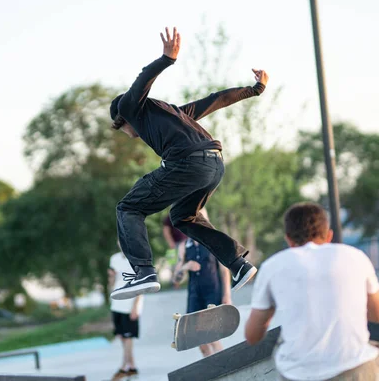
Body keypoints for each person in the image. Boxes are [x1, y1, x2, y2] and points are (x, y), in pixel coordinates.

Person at [109, 26, 268, 300]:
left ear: (122, 120)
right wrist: (255, 90)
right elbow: (214, 100)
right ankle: (238, 264)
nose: (129, 135)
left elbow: (142, 81)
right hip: (215, 164)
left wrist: (166, 60)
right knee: (183, 216)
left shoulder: (128, 107)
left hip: (188, 164)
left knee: (128, 207)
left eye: (122, 130)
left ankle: (143, 271)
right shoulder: (175, 115)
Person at [245, 202, 379, 381]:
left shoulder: (272, 267)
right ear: (329, 235)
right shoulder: (355, 256)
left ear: (288, 239)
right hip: (357, 369)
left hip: (299, 375)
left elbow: (252, 336)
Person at [172, 207, 231, 357]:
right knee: (198, 339)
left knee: (211, 335)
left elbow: (225, 271)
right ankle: (210, 370)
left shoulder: (215, 240)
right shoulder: (184, 246)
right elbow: (176, 278)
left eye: (201, 218)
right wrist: (186, 266)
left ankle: (223, 365)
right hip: (194, 294)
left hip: (212, 292)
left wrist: (227, 296)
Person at [108, 246, 144, 380]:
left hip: (130, 304)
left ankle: (123, 368)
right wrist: (111, 278)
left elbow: (141, 283)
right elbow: (112, 284)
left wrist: (136, 306)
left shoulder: (136, 258)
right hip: (117, 303)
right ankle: (132, 367)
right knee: (122, 336)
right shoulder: (114, 259)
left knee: (128, 337)